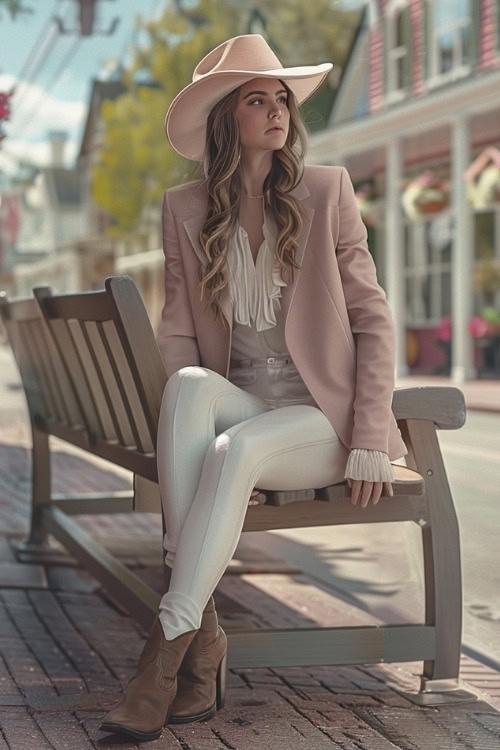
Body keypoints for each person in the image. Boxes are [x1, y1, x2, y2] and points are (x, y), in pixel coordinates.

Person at [100, 33, 408, 742]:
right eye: (257, 99)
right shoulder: (185, 208)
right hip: (243, 405)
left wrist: (368, 435)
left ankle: (164, 657)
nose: (277, 111)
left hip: (319, 420)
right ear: (225, 120)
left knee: (232, 450)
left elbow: (374, 318)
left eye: (282, 100)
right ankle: (200, 642)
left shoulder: (325, 191)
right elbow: (178, 329)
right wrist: (173, 422)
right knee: (186, 381)